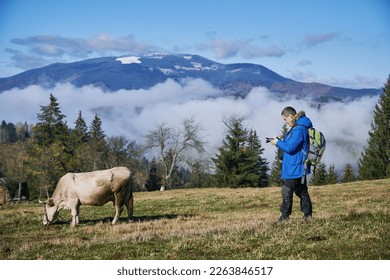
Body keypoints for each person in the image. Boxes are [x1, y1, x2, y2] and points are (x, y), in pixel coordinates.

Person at [270, 106, 313, 222]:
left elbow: (290, 148)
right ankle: (308, 216)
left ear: (290, 116)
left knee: (286, 190)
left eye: (285, 119)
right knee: (301, 190)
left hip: (295, 167)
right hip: (298, 166)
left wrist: (278, 142)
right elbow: (291, 145)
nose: (285, 122)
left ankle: (284, 217)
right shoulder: (297, 128)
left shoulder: (299, 129)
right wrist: (279, 141)